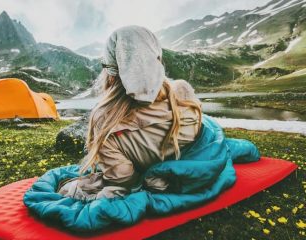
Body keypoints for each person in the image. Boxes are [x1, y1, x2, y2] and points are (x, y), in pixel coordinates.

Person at [58, 25, 203, 200]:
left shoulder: (104, 120)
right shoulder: (183, 91)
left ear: (112, 68)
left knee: (70, 189)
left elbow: (124, 179)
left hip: (143, 182)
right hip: (192, 175)